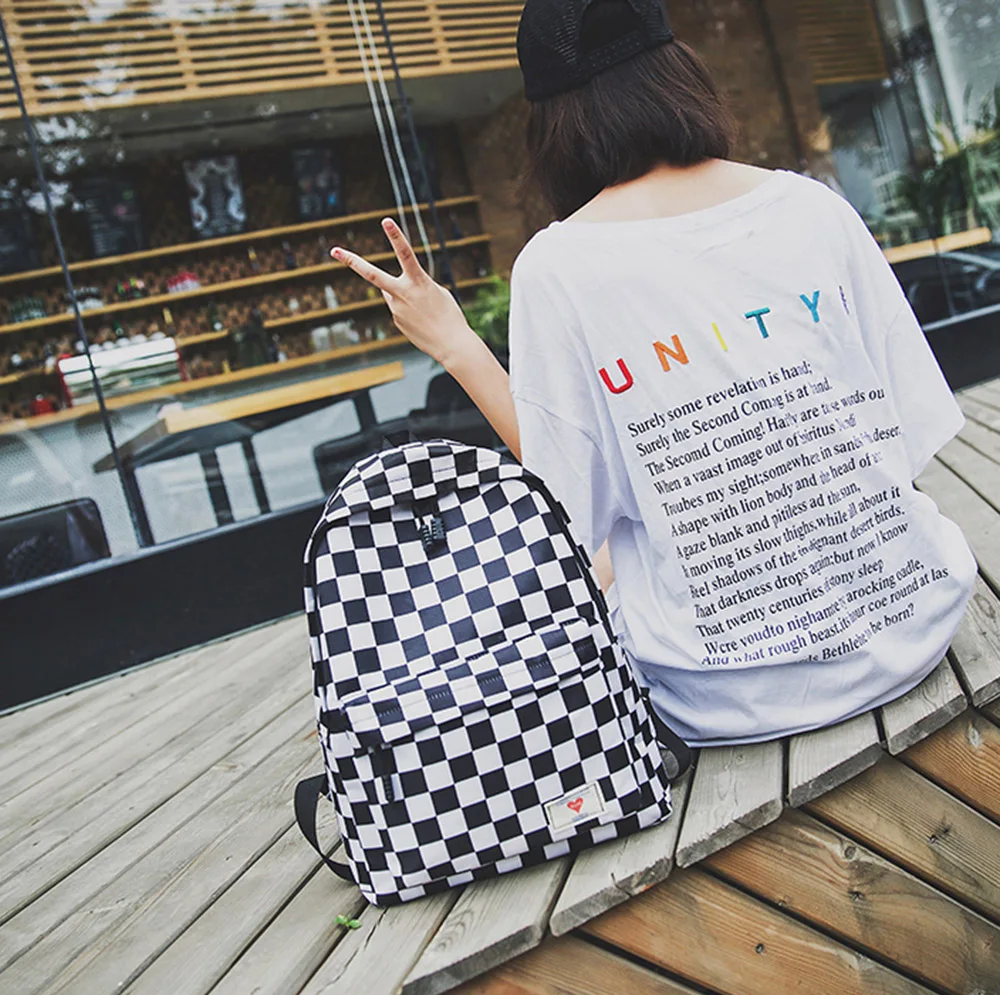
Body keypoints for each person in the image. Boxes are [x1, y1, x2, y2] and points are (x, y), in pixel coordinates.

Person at [329, 0, 976, 746]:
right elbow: (904, 432)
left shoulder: (557, 267)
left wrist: (457, 347)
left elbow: (567, 518)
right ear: (680, 72)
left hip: (733, 695)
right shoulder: (811, 206)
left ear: (553, 125)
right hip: (916, 621)